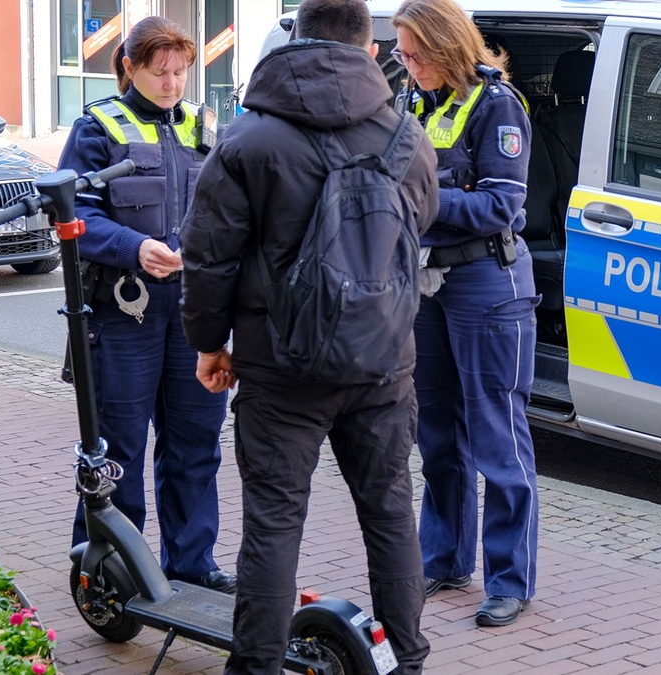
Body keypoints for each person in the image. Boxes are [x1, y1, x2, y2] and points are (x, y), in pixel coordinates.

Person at [177, 0, 439, 671]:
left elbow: (208, 255)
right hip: (383, 361)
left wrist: (209, 343)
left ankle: (256, 666)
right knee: (390, 515)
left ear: (295, 41)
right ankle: (408, 662)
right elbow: (419, 225)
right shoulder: (407, 136)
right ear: (370, 49)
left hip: (280, 363)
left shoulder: (249, 138)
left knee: (273, 524)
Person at [56, 16, 235, 594]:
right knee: (118, 447)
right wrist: (134, 247)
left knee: (195, 443)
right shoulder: (97, 127)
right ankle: (109, 568)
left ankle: (192, 562)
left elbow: (232, 210)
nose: (172, 84)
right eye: (160, 72)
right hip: (123, 312)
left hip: (193, 311)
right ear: (129, 67)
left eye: (181, 72)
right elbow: (75, 215)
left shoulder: (207, 127)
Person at [392, 0, 541, 627]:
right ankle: (445, 557)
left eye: (417, 53)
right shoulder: (411, 101)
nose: (409, 64)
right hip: (427, 282)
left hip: (487, 282)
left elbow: (499, 205)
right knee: (436, 434)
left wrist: (420, 199)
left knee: (497, 436)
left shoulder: (497, 105)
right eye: (402, 54)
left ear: (448, 44)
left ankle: (510, 579)